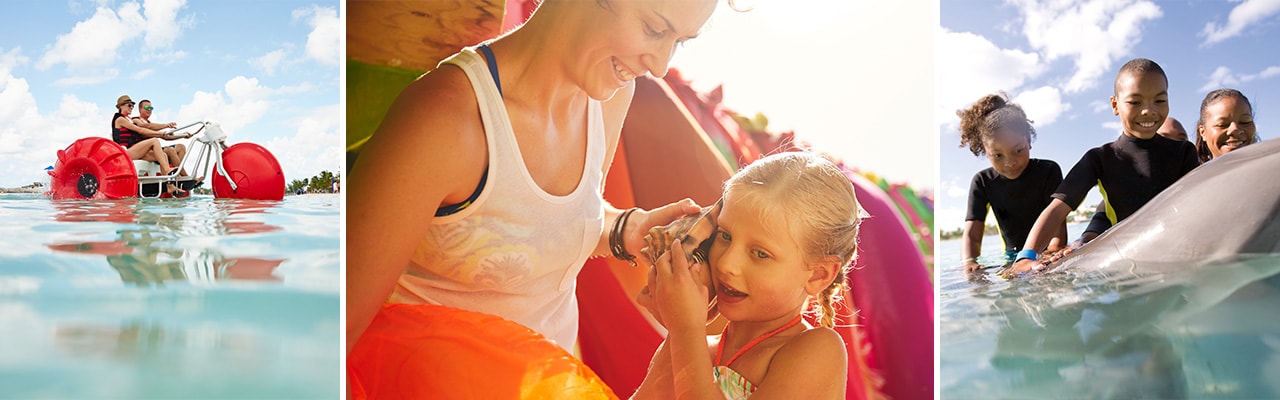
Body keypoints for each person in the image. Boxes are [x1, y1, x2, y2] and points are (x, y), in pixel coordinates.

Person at [346, 0, 718, 355]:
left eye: (679, 42)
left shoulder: (610, 96)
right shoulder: (445, 120)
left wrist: (626, 229)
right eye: (654, 28)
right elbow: (339, 329)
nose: (660, 66)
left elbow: (553, 224)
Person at [634, 152, 857, 399]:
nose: (727, 264)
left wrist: (685, 328)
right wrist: (679, 328)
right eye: (724, 236)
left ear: (818, 275)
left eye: (760, 254)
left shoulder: (817, 351)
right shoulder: (695, 346)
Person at [1005, 58, 1199, 277]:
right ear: (1115, 105)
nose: (1148, 110)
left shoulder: (1184, 152)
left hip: (1176, 254)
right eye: (1135, 102)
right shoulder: (1100, 158)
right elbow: (1058, 208)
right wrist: (1026, 257)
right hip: (1128, 265)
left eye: (1160, 100)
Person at [955, 93, 1065, 273]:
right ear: (985, 151)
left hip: (1047, 254)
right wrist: (969, 262)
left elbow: (1058, 221)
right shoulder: (982, 182)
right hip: (1012, 258)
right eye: (998, 155)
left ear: (1028, 141)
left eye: (1018, 150)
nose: (1010, 162)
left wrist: (1051, 253)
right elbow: (972, 235)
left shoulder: (1048, 170)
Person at [111, 95, 185, 196]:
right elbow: (140, 129)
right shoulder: (120, 119)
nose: (131, 107)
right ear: (121, 106)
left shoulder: (128, 119)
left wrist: (182, 135)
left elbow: (148, 129)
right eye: (129, 105)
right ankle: (168, 171)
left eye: (132, 106)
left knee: (163, 156)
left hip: (135, 150)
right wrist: (161, 133)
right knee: (154, 141)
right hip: (124, 152)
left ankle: (169, 185)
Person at [131, 99, 191, 177]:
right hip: (146, 151)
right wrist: (166, 125)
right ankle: (185, 177)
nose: (149, 110)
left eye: (151, 108)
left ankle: (178, 175)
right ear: (140, 109)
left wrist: (183, 135)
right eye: (146, 108)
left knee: (181, 147)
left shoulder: (150, 124)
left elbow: (166, 137)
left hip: (155, 149)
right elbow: (146, 126)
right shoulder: (136, 120)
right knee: (170, 150)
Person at [1195, 88, 1257, 163]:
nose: (1235, 130)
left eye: (1245, 122)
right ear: (1203, 132)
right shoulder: (1197, 174)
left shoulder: (1272, 171)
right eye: (1222, 125)